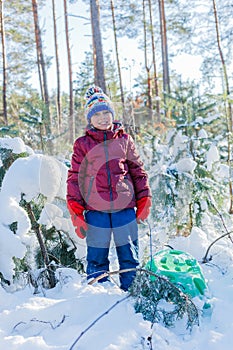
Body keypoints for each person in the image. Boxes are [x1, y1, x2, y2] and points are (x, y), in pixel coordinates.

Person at [66, 86, 152, 291]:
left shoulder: (124, 140)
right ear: (90, 118)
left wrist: (144, 197)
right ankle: (99, 293)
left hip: (124, 209)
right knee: (97, 256)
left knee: (129, 255)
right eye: (97, 113)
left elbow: (137, 171)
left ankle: (131, 292)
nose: (103, 118)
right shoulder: (82, 144)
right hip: (96, 211)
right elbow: (75, 177)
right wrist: (75, 209)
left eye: (106, 112)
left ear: (112, 114)